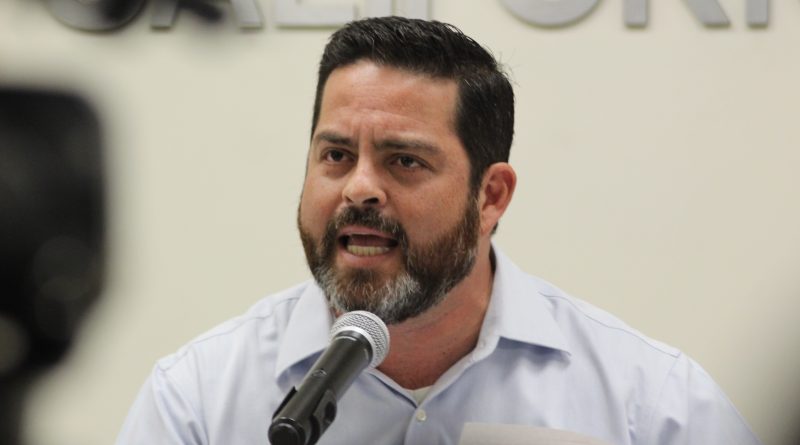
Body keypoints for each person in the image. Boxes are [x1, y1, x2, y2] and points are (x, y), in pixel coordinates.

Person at [116, 17, 761, 445]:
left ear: (491, 196)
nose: (359, 189)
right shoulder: (198, 400)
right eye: (336, 155)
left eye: (404, 161)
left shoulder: (651, 405)